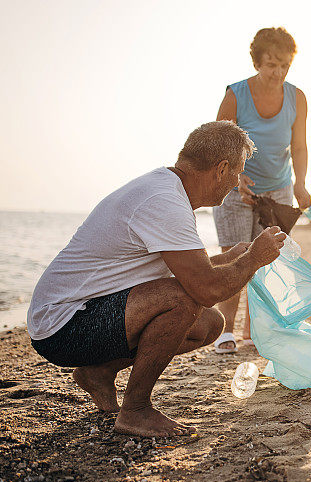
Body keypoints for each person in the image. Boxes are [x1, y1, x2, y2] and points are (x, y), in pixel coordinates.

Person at [27, 121, 287, 437]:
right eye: (238, 172)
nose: (238, 182)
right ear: (221, 169)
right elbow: (204, 288)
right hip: (62, 326)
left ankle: (99, 372)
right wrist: (254, 259)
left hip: (82, 314)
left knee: (208, 324)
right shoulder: (165, 202)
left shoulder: (168, 190)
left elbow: (193, 271)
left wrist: (232, 257)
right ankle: (135, 410)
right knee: (184, 299)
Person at [212, 27, 311, 354]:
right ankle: (225, 330)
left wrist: (300, 183)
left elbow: (299, 146)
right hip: (234, 189)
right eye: (271, 64)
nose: (278, 72)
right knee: (235, 259)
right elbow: (220, 143)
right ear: (258, 62)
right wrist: (235, 178)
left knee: (265, 261)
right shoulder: (236, 95)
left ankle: (251, 332)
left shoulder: (297, 98)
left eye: (284, 65)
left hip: (277, 191)